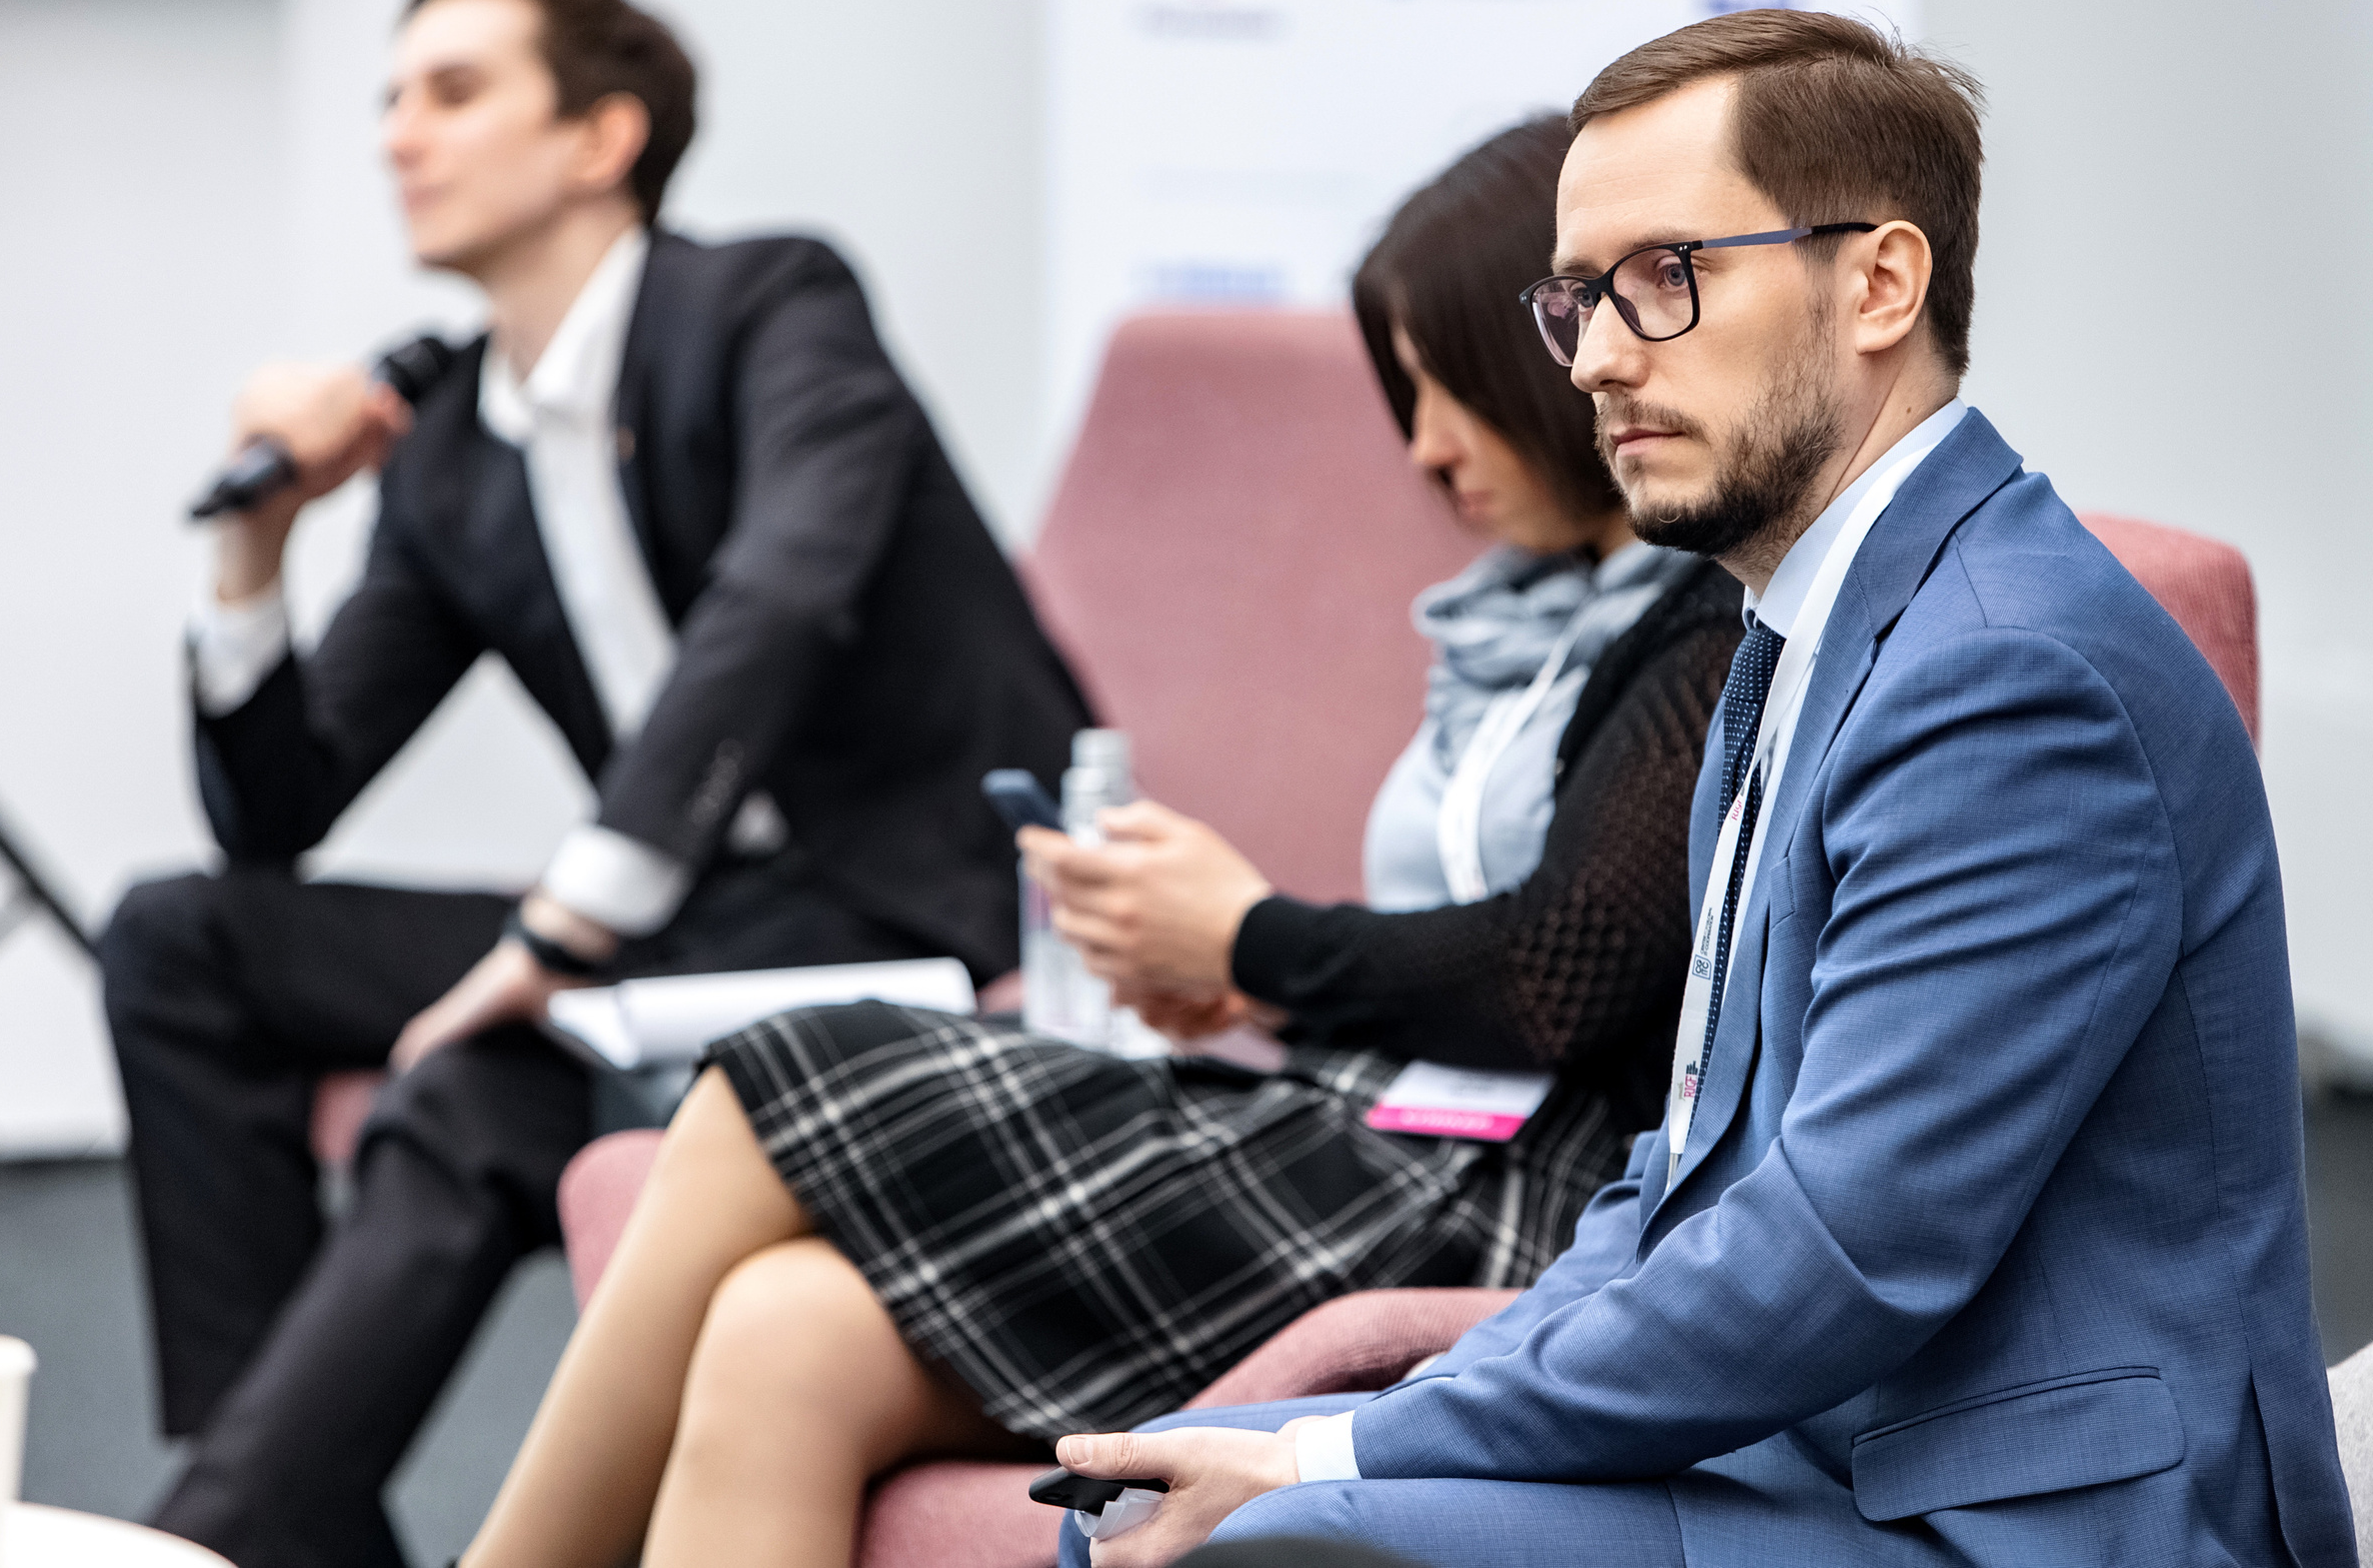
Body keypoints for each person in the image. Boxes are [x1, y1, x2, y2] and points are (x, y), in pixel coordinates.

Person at [1051, 10, 2359, 1568]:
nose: (1599, 356)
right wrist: (1411, 1417)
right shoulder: (1797, 633)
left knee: (1249, 1539)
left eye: (1667, 277)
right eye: (1578, 297)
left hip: (2017, 1522)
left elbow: (1841, 1252)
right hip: (1819, 1455)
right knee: (1146, 1503)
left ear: (1880, 282)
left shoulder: (2011, 675)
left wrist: (1354, 1449)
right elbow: (1686, 1173)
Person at [455, 116, 1744, 1568]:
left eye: (1457, 396)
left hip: (1510, 1187)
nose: (1428, 452)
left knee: (784, 1078)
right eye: (1409, 400)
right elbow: (1508, 939)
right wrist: (1260, 982)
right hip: (1382, 1120)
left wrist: (1254, 942)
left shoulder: (1708, 624)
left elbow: (1558, 973)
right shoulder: (1514, 618)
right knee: (781, 1330)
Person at [97, 0, 1087, 1568]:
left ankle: (214, 1540)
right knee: (177, 937)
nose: (400, 136)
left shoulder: (773, 303)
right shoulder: (455, 459)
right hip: (680, 919)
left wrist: (559, 932)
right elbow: (275, 816)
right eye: (392, 99)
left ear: (599, 139)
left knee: (484, 1080)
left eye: (455, 90)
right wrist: (255, 553)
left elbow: (776, 604)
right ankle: (277, 1513)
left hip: (901, 908)